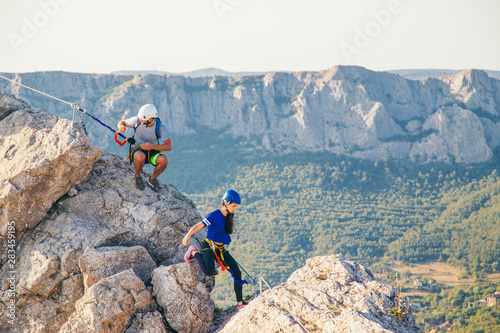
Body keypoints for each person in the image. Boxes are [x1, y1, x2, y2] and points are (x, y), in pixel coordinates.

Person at [182, 189, 248, 310]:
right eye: (233, 206)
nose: (235, 209)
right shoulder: (214, 215)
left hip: (220, 250)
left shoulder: (230, 215)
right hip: (208, 246)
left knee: (237, 273)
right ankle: (193, 252)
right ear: (226, 202)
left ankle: (240, 304)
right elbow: (198, 225)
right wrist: (187, 236)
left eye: (236, 206)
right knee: (208, 271)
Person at [117, 104, 172, 191]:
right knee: (140, 156)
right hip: (137, 149)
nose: (141, 120)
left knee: (164, 160)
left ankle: (152, 179)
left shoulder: (160, 127)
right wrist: (121, 126)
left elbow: (169, 146)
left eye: (143, 119)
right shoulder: (137, 120)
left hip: (152, 151)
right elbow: (122, 122)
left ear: (150, 119)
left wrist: (151, 146)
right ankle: (138, 176)